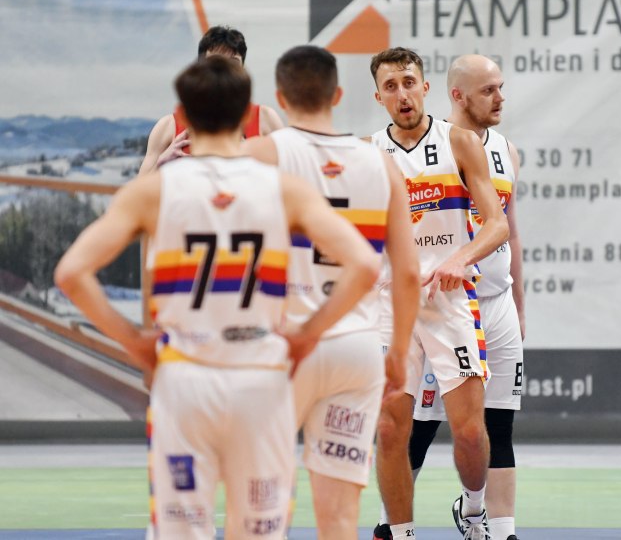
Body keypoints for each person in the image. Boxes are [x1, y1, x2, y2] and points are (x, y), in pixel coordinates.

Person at [54, 56, 380, 540]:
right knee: (258, 529)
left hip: (185, 377)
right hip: (261, 379)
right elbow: (366, 265)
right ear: (248, 113)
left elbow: (71, 273)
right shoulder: (285, 189)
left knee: (182, 530)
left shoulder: (152, 191)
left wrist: (134, 341)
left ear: (182, 115)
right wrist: (309, 333)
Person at [242, 45, 420, 540]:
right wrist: (397, 352)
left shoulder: (261, 155)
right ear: (337, 95)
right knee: (340, 517)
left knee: (259, 510)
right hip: (356, 348)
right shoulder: (381, 164)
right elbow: (407, 274)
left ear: (280, 98)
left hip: (285, 346)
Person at [369, 47, 510, 540]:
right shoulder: (368, 154)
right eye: (391, 86)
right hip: (391, 304)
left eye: (409, 82)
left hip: (449, 300)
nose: (402, 94)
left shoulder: (459, 142)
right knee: (390, 427)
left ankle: (473, 511)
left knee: (469, 431)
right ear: (379, 97)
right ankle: (400, 531)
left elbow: (497, 224)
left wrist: (460, 259)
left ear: (425, 87)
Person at [402, 54, 525, 540]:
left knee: (500, 425)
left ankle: (500, 529)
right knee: (421, 425)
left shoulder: (507, 150)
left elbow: (510, 231)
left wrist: (518, 306)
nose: (500, 98)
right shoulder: (434, 144)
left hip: (497, 303)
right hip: (445, 307)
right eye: (489, 90)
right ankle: (395, 521)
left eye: (500, 87)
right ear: (458, 95)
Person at [139, 25, 284, 174]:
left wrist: (253, 158)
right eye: (216, 62)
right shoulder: (168, 126)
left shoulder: (265, 118)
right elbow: (139, 186)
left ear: (242, 68)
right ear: (200, 66)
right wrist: (162, 161)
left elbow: (290, 175)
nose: (224, 70)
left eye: (233, 62)